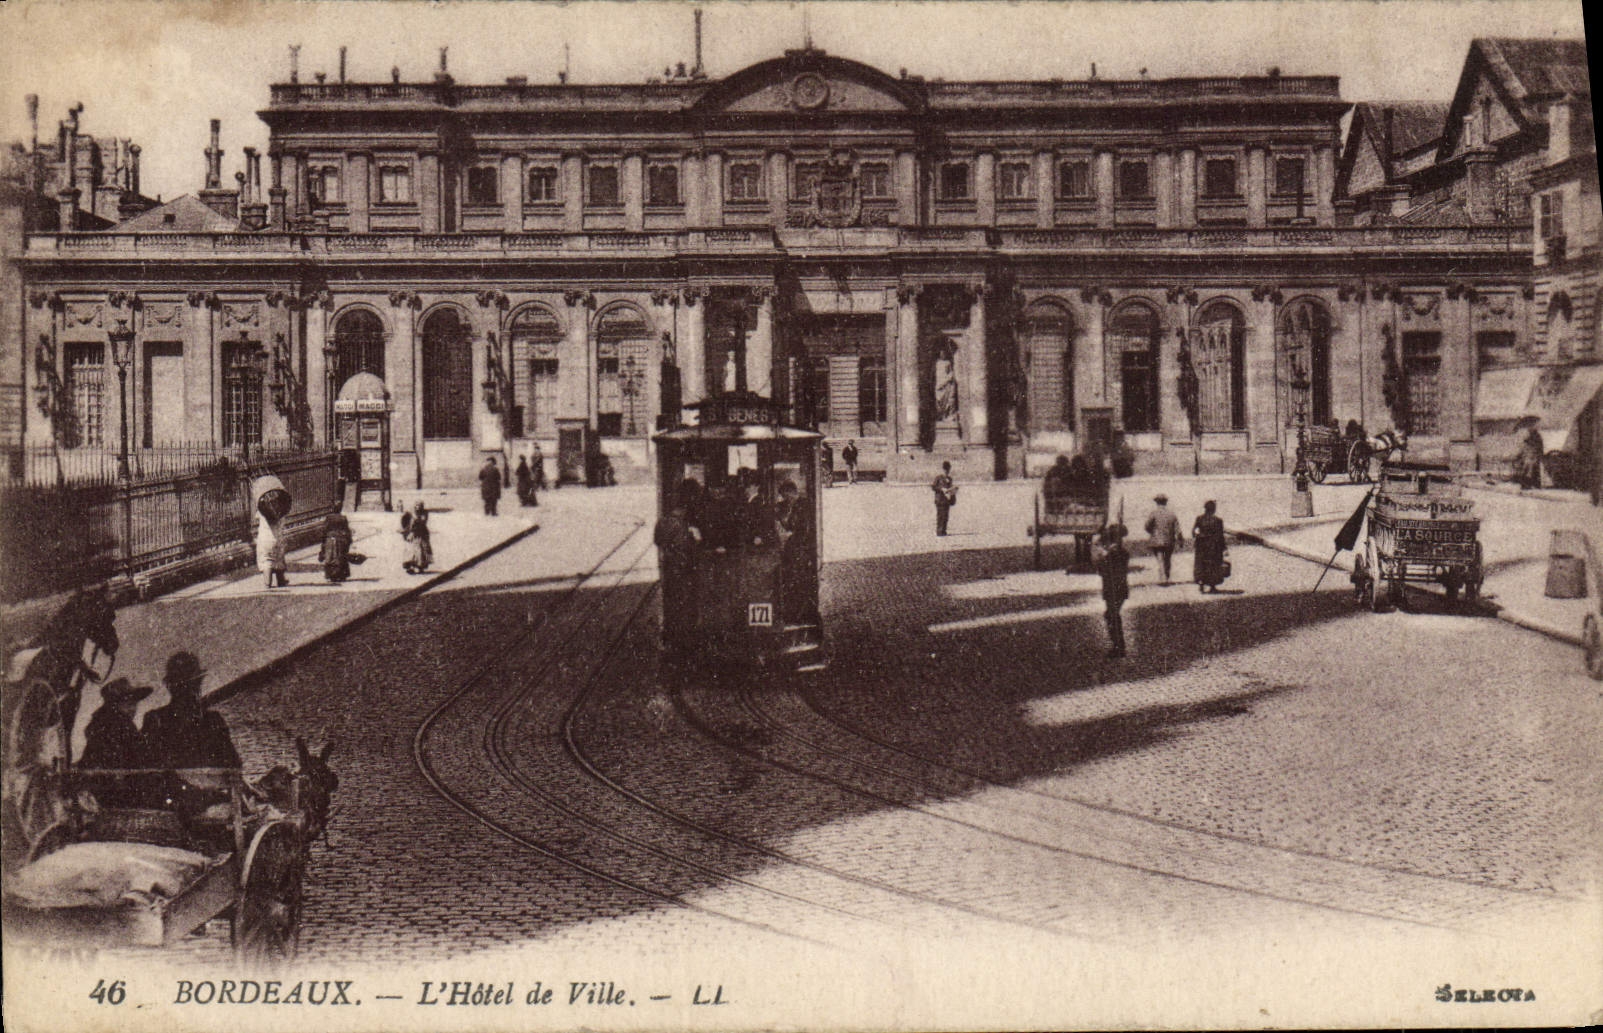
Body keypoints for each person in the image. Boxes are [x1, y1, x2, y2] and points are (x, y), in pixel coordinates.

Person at [143, 652, 241, 818]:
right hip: (204, 804)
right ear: (198, 685)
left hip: (170, 804)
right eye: (194, 685)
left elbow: (149, 768)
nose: (194, 691)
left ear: (170, 687)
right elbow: (234, 765)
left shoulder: (155, 718)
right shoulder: (212, 720)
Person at [79, 678, 156, 807]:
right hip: (119, 792)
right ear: (114, 705)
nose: (133, 709)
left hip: (100, 791)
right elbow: (141, 757)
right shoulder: (122, 724)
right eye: (127, 703)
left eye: (134, 703)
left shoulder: (98, 725)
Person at [654, 484, 703, 647]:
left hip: (669, 568)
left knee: (672, 603)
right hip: (684, 569)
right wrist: (696, 539)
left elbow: (658, 542)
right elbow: (688, 548)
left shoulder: (662, 522)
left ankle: (671, 637)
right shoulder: (682, 526)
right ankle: (685, 640)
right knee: (686, 604)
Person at [1096, 524, 1130, 658]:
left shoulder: (1112, 555)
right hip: (1120, 588)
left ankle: (1119, 647)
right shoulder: (1123, 553)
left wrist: (1103, 556)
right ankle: (1118, 646)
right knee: (1112, 615)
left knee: (1112, 616)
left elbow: (1101, 570)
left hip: (1112, 589)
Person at [1143, 494, 1183, 584]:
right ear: (1166, 502)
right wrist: (1180, 540)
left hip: (1156, 540)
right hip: (1169, 540)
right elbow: (1178, 529)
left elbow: (1146, 526)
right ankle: (1167, 577)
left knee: (1160, 559)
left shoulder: (1153, 513)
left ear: (1156, 502)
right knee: (1167, 559)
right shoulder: (1172, 514)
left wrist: (1152, 532)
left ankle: (1163, 578)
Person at [1192, 499, 1228, 593]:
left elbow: (1194, 532)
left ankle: (1201, 583)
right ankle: (1212, 586)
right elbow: (1220, 536)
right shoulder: (1218, 520)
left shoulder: (1199, 518)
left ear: (1205, 509)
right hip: (1213, 546)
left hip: (1201, 545)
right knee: (1213, 565)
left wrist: (1199, 536)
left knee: (1201, 564)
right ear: (1214, 509)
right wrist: (1224, 548)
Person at [256, 507, 288, 589]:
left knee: (267, 560)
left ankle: (267, 583)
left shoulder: (263, 510)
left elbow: (256, 518)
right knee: (279, 559)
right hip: (278, 539)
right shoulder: (281, 511)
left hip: (265, 539)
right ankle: (281, 580)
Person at [319, 512, 353, 583]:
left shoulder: (329, 518)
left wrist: (323, 540)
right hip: (341, 539)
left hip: (331, 539)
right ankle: (341, 575)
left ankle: (332, 575)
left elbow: (324, 530)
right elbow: (347, 530)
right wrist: (349, 539)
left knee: (331, 557)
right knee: (340, 556)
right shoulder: (343, 518)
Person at [401, 500, 433, 574]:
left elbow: (423, 522)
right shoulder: (411, 513)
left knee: (421, 550)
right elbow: (405, 520)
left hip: (421, 533)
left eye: (419, 506)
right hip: (412, 534)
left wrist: (415, 519)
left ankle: (420, 567)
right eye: (416, 505)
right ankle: (410, 566)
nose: (417, 507)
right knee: (412, 550)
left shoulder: (424, 513)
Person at [931, 461, 957, 536]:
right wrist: (941, 489)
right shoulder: (938, 478)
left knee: (946, 515)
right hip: (940, 499)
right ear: (943, 470)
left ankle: (944, 530)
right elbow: (933, 487)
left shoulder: (949, 479)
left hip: (947, 500)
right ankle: (939, 531)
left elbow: (950, 487)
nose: (947, 472)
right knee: (940, 515)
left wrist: (953, 490)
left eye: (948, 470)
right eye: (945, 470)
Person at [1517, 423, 1544, 490]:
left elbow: (1538, 447)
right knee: (1532, 470)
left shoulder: (1534, 437)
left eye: (1530, 429)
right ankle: (1533, 484)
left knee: (1529, 470)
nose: (1529, 430)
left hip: (1532, 456)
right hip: (1531, 456)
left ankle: (1528, 485)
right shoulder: (1533, 437)